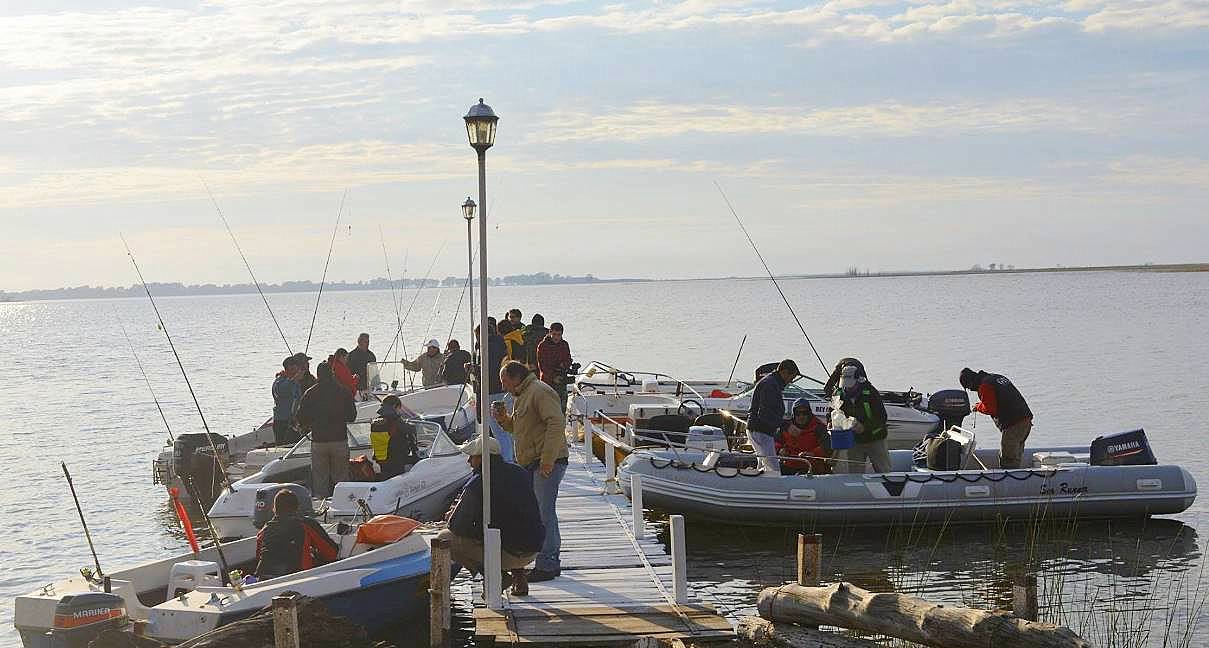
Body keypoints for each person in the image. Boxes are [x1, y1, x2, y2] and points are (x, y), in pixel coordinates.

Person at [437, 435, 544, 596]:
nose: (469, 462)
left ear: (481, 458)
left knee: (444, 537)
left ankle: (497, 577)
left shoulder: (479, 483)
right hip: (533, 548)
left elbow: (457, 526)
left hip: (508, 552)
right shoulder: (519, 472)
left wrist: (452, 515)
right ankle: (519, 577)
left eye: (471, 457)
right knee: (512, 526)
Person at [494, 361, 568, 583]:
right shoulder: (523, 395)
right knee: (537, 512)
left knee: (544, 513)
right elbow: (521, 427)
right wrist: (503, 420)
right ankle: (545, 561)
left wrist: (548, 460)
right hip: (531, 462)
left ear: (516, 377)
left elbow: (556, 423)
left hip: (546, 462)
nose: (504, 386)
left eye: (505, 381)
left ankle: (548, 564)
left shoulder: (539, 392)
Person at [296, 361, 357, 498]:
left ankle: (321, 507)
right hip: (339, 440)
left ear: (318, 375)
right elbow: (352, 416)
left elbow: (300, 418)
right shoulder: (343, 391)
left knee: (320, 479)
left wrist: (309, 423)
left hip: (319, 441)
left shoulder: (310, 393)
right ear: (332, 373)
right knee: (341, 478)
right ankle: (342, 503)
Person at [254, 489, 339, 579]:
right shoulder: (306, 525)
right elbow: (331, 553)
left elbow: (258, 556)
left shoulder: (265, 530)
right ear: (297, 507)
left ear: (274, 509)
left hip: (264, 580)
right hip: (297, 580)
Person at [960, 368, 1033, 469]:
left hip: (1014, 424)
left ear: (970, 382)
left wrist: (977, 407)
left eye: (968, 387)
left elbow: (990, 409)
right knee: (1015, 455)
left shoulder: (985, 386)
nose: (970, 389)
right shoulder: (996, 377)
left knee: (1008, 458)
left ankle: (1009, 482)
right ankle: (1018, 477)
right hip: (1025, 420)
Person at [833, 363, 890, 473]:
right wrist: (832, 423)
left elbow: (881, 418)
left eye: (851, 385)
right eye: (845, 385)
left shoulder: (870, 393)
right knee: (855, 472)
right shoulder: (838, 393)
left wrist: (864, 427)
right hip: (854, 441)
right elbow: (832, 412)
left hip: (875, 438)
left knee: (883, 470)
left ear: (859, 380)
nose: (848, 388)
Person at [747, 359, 798, 474]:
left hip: (761, 430)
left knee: (763, 463)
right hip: (760, 431)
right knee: (772, 467)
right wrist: (786, 425)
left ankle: (757, 484)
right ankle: (774, 486)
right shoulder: (770, 385)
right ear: (784, 372)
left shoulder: (772, 382)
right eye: (791, 378)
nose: (791, 381)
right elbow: (765, 413)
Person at [473, 319, 513, 462]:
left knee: (498, 429)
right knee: (507, 428)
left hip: (491, 392)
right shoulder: (500, 343)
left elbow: (488, 370)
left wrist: (474, 369)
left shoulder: (488, 347)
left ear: (480, 334)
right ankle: (512, 457)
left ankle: (507, 461)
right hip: (503, 389)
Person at [777, 398, 832, 475]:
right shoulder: (786, 427)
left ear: (809, 413)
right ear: (793, 414)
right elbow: (775, 443)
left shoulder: (818, 427)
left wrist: (813, 453)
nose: (801, 416)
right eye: (798, 413)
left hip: (811, 467)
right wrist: (780, 450)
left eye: (805, 413)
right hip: (789, 466)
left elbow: (827, 447)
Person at [370, 395, 419, 478]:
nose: (399, 411)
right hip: (396, 458)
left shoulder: (376, 422)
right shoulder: (394, 420)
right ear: (394, 406)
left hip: (381, 458)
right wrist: (414, 425)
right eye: (399, 408)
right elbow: (410, 429)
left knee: (386, 477)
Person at [536, 322, 574, 412]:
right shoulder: (543, 346)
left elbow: (568, 359)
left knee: (561, 409)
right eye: (554, 334)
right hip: (547, 382)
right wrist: (553, 377)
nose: (556, 337)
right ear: (550, 332)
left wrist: (565, 365)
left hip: (561, 380)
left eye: (559, 335)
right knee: (548, 409)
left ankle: (561, 425)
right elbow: (542, 366)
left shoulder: (564, 345)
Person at [272, 355, 303, 445]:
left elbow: (298, 398)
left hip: (293, 421)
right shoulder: (279, 381)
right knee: (283, 446)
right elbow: (282, 390)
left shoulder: (295, 383)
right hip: (282, 421)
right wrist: (294, 379)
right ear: (290, 367)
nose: (298, 370)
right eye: (296, 367)